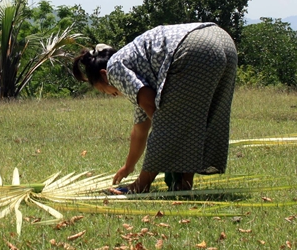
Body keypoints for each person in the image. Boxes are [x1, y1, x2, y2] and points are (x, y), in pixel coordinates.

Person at [72, 23, 237, 193]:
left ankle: (141, 186)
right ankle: (183, 185)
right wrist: (128, 166)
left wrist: (166, 151)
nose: (111, 94)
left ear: (103, 75)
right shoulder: (134, 66)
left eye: (105, 90)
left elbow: (160, 118)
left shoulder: (114, 68)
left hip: (194, 47)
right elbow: (140, 130)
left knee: (171, 122)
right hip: (222, 40)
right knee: (200, 118)